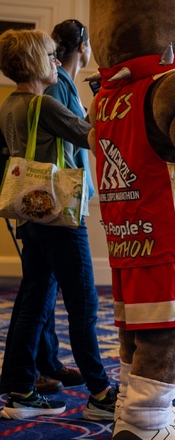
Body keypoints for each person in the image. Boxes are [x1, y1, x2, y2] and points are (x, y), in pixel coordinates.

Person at [0, 29, 116, 420]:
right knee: (83, 302)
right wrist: (104, 95)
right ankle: (101, 393)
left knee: (34, 299)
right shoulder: (43, 106)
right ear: (35, 62)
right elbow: (93, 136)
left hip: (31, 215)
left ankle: (20, 390)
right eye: (51, 57)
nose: (56, 63)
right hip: (59, 217)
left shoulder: (10, 105)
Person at [29, 19, 95, 394]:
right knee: (50, 290)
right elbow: (84, 134)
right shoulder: (57, 87)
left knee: (45, 287)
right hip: (57, 200)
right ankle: (42, 366)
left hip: (62, 197)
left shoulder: (65, 84)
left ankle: (47, 363)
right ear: (82, 47)